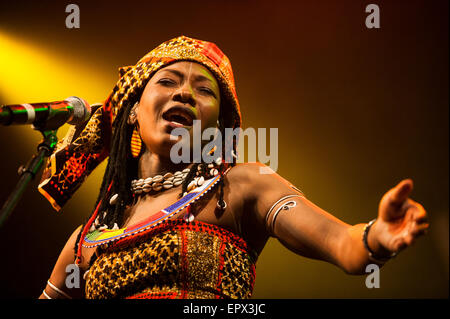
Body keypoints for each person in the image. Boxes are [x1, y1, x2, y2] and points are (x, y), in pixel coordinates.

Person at [37, 35, 429, 299]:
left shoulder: (241, 187)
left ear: (218, 126)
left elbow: (344, 245)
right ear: (133, 113)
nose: (185, 93)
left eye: (204, 90)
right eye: (169, 81)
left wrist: (377, 237)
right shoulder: (90, 236)